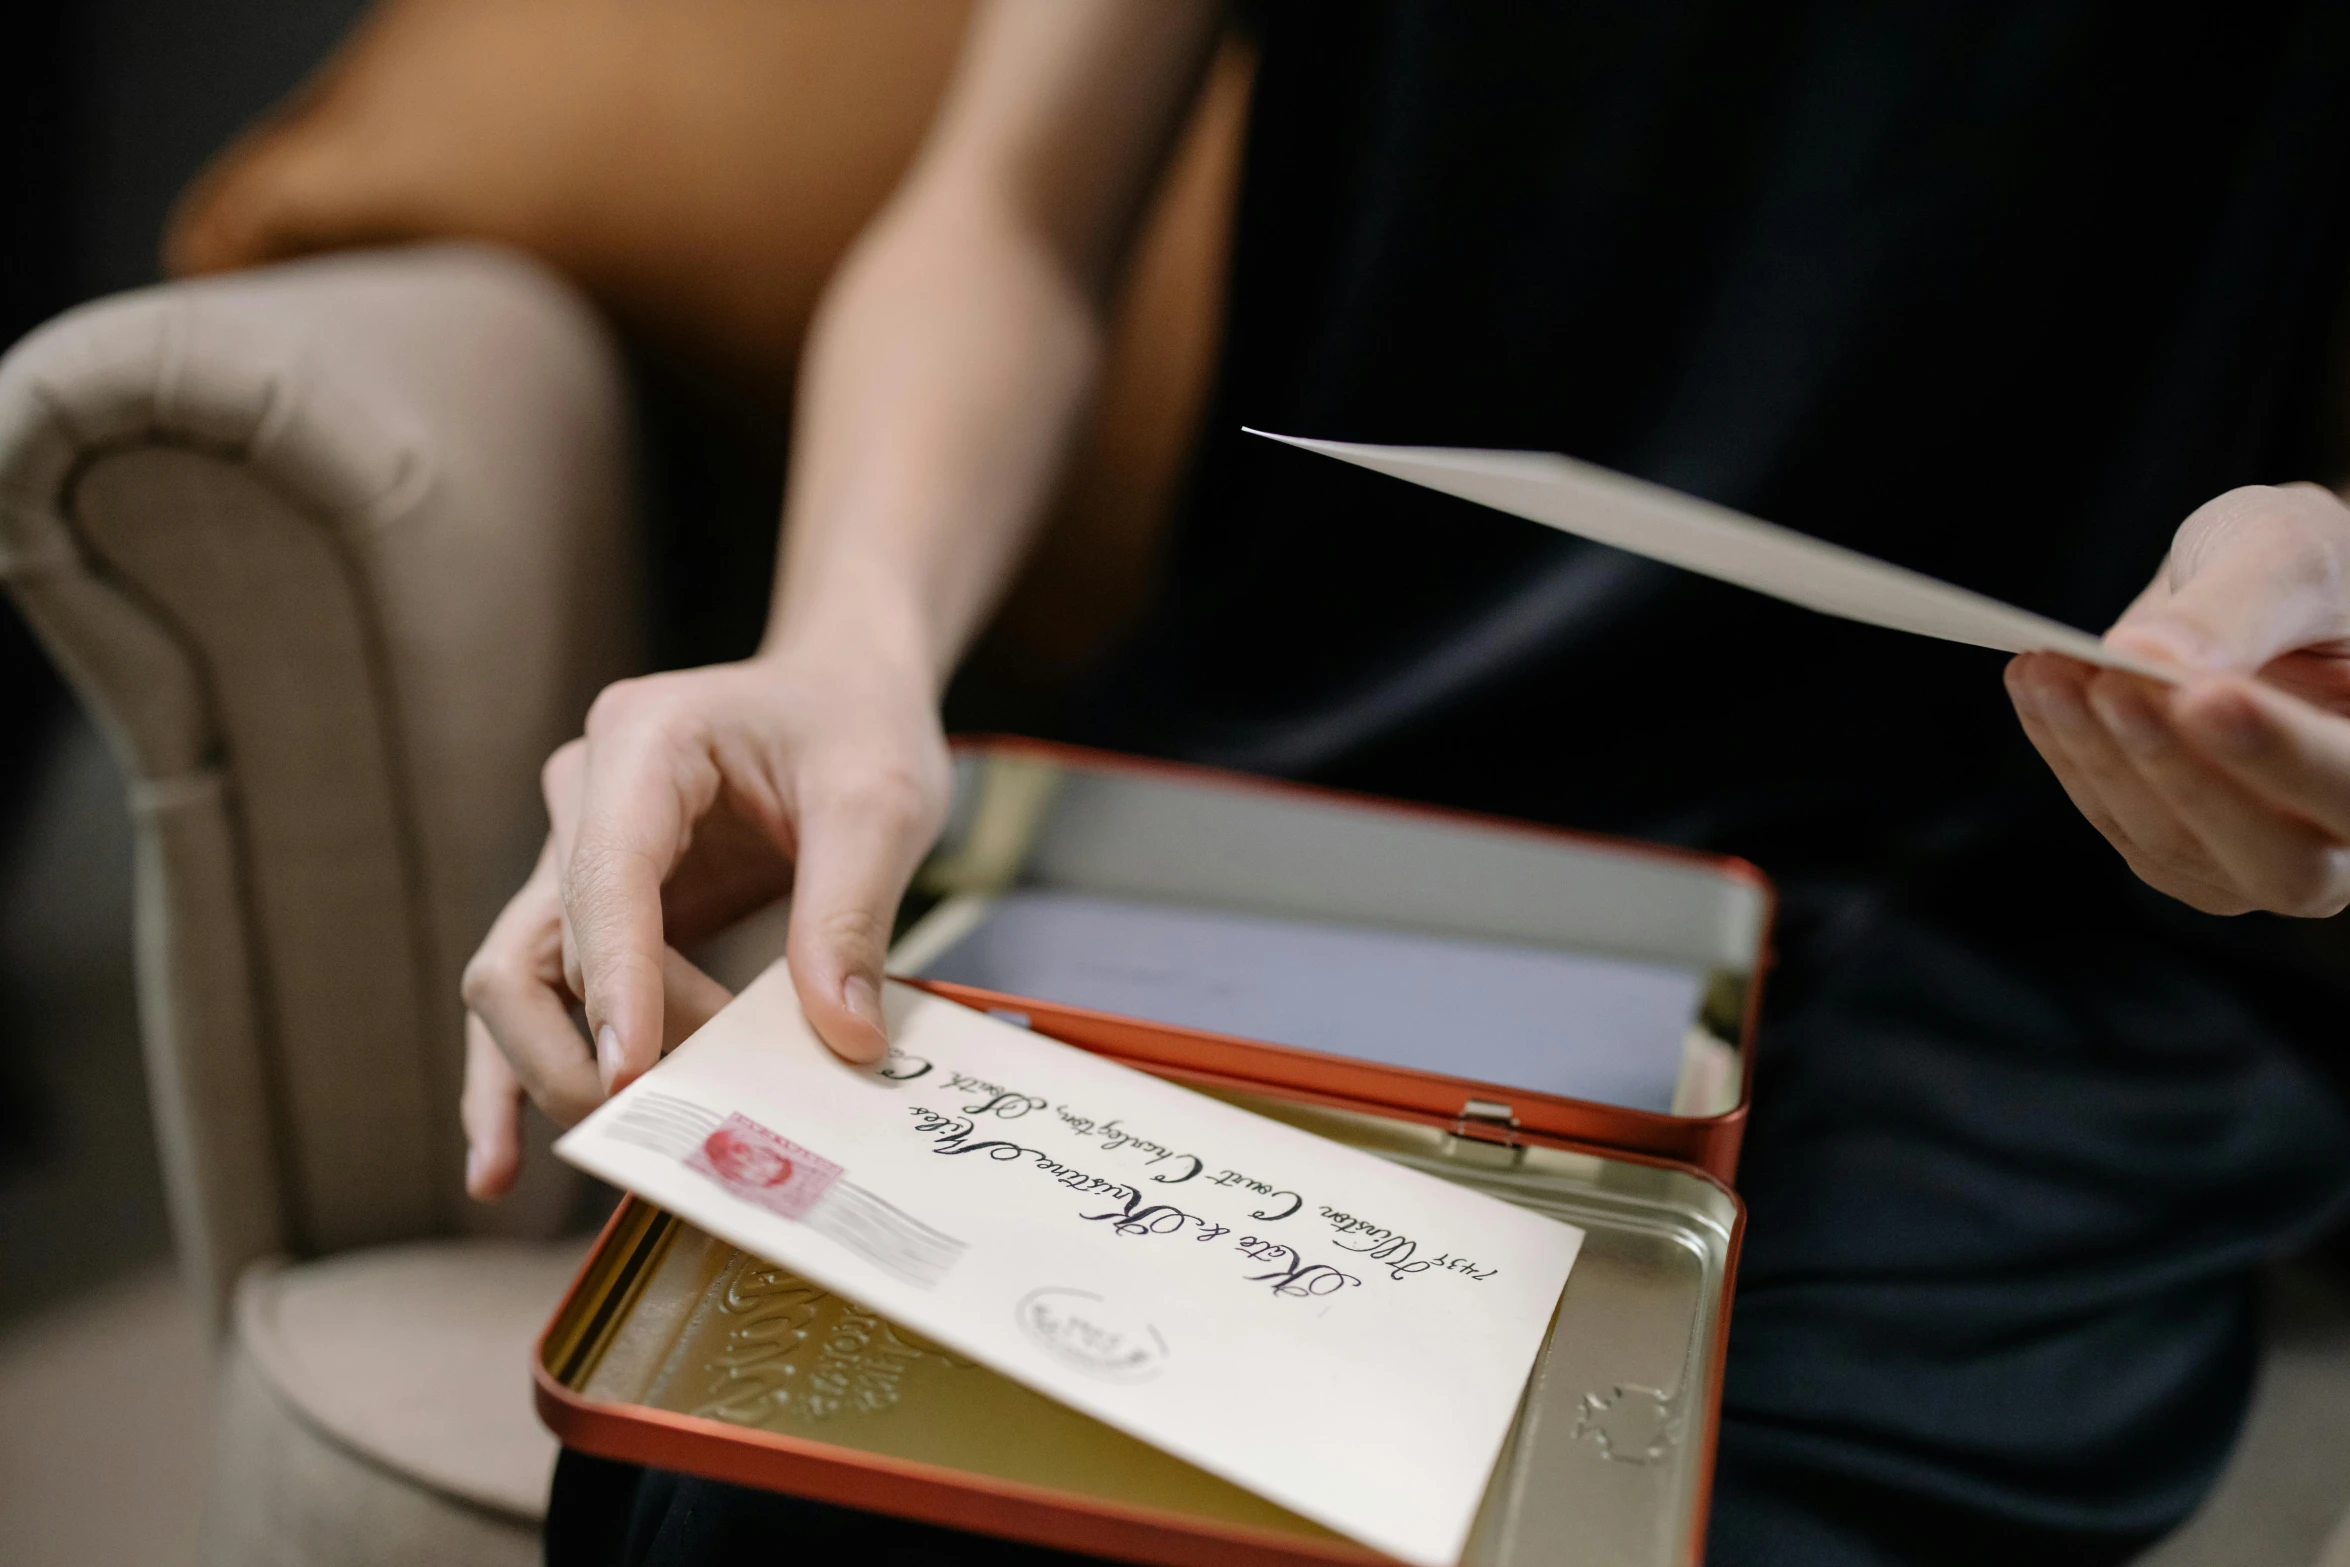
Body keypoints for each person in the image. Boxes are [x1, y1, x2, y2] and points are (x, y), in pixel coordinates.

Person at [460, 3, 2350, 1563]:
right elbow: (1012, 210)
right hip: (1294, 842)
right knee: (767, 1493)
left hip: (2027, 932)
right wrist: (847, 646)